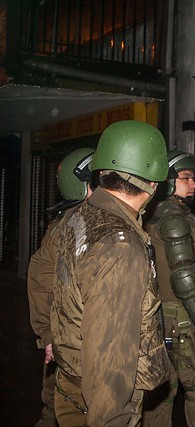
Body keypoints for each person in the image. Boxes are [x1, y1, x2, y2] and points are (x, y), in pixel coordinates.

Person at [48, 120, 172, 425]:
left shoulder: (81, 215)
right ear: (154, 182)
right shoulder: (120, 248)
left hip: (72, 381)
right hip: (102, 402)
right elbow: (111, 359)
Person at [143, 150, 195, 426]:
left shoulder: (154, 214)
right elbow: (185, 279)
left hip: (158, 315)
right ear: (166, 181)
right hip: (181, 317)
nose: (194, 184)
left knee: (161, 390)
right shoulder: (173, 218)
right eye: (186, 178)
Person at [27, 147, 95, 427]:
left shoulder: (91, 220)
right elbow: (41, 280)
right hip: (69, 342)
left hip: (79, 342)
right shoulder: (72, 225)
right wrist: (49, 335)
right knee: (62, 410)